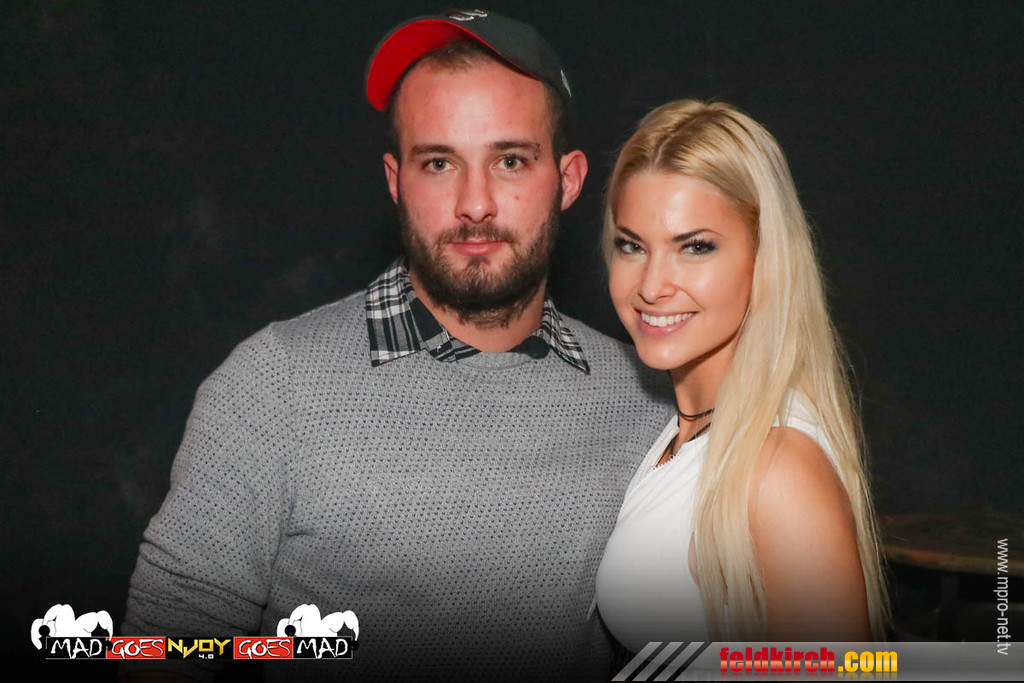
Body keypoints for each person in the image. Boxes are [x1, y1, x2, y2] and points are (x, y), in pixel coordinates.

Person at [121, 9, 672, 682]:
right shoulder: (275, 382)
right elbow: (163, 644)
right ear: (395, 181)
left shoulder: (647, 402)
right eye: (439, 163)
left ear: (569, 179)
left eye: (510, 160)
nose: (475, 203)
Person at [594, 100, 889, 648]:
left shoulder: (776, 467)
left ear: (765, 257)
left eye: (695, 247)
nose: (652, 286)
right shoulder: (687, 430)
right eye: (632, 246)